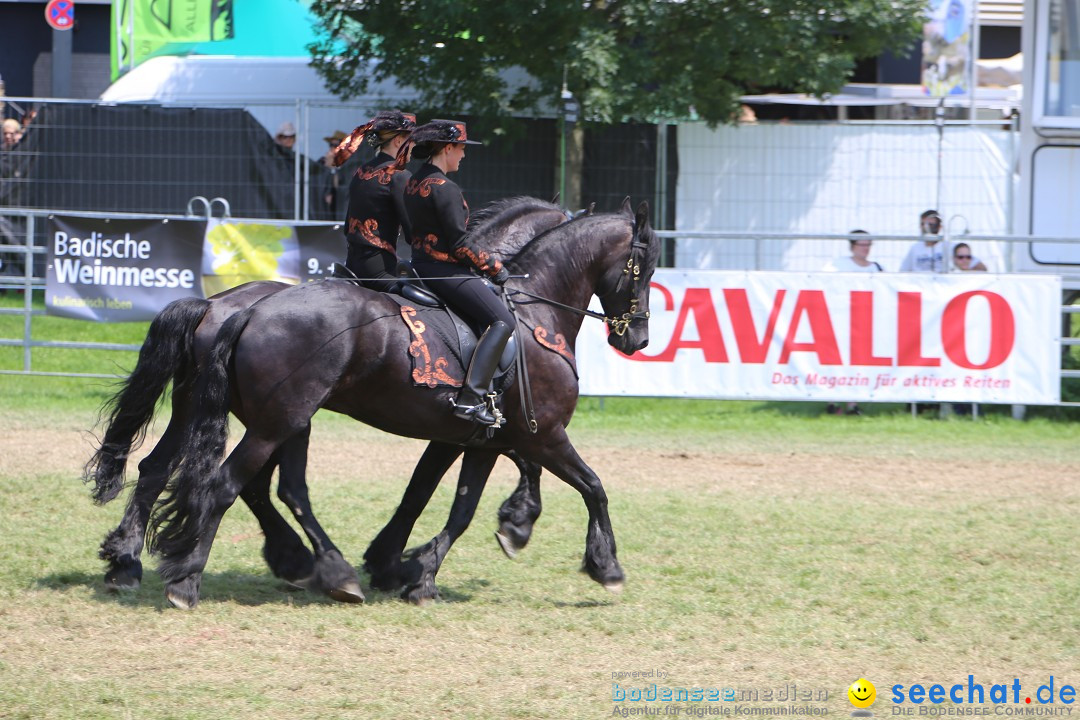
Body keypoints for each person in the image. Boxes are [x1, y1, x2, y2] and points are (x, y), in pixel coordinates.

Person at [401, 119, 513, 427]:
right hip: (445, 271)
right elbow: (459, 242)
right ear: (447, 148)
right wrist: (494, 267)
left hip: (421, 265)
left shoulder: (414, 182)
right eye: (461, 149)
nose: (463, 155)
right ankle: (470, 398)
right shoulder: (444, 188)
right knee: (504, 320)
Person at [331, 110, 416, 292]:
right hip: (379, 271)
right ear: (398, 141)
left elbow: (348, 226)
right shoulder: (399, 175)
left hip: (352, 264)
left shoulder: (361, 171)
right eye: (411, 140)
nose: (414, 146)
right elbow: (413, 234)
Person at [823, 230, 881, 415]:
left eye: (868, 245)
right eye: (862, 245)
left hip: (864, 322)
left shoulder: (875, 268)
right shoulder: (838, 265)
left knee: (857, 363)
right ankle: (832, 402)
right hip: (841, 320)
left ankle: (852, 404)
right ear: (852, 246)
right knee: (836, 361)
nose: (865, 249)